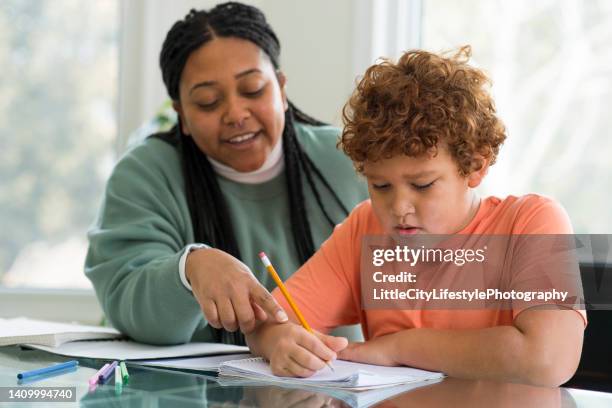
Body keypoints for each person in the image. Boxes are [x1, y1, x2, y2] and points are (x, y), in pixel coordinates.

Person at [246, 46, 586, 386]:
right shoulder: (365, 229)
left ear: (476, 166)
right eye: (380, 185)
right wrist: (277, 340)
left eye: (422, 185)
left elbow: (548, 360)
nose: (398, 208)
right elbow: (268, 322)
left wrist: (398, 347)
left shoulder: (534, 222)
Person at [85, 2, 368, 345]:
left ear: (281, 88)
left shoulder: (352, 159)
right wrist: (190, 269)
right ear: (182, 115)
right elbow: (130, 304)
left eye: (252, 90)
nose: (236, 113)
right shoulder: (145, 175)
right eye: (207, 101)